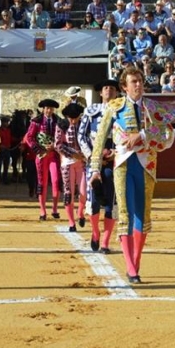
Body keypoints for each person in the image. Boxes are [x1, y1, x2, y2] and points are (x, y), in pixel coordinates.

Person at [89, 66, 175, 283]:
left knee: (143, 215)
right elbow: (100, 139)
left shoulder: (153, 108)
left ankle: (135, 262)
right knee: (125, 214)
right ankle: (130, 267)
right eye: (133, 82)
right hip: (123, 165)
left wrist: (142, 135)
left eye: (140, 81)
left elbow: (167, 133)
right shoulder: (115, 107)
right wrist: (95, 169)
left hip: (147, 166)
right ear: (124, 87)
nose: (138, 85)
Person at [78, 78, 119, 253]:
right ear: (101, 93)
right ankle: (95, 232)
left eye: (112, 88)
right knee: (93, 200)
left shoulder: (122, 111)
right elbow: (82, 136)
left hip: (114, 161)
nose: (109, 90)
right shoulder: (91, 111)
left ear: (117, 92)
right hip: (94, 161)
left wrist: (116, 153)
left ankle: (105, 241)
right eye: (105, 88)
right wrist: (92, 156)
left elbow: (126, 135)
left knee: (111, 201)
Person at [25, 99, 62, 220]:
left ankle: (55, 209)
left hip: (54, 155)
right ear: (43, 109)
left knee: (56, 181)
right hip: (41, 155)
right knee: (42, 182)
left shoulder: (59, 121)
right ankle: (42, 211)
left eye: (51, 108)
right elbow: (29, 137)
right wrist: (38, 149)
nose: (49, 110)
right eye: (47, 108)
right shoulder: (36, 121)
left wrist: (55, 146)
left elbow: (63, 137)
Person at [55, 103, 87, 232]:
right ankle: (71, 222)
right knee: (69, 193)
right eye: (71, 118)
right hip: (67, 162)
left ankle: (80, 212)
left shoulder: (84, 124)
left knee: (84, 192)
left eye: (75, 118)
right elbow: (58, 145)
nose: (73, 121)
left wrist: (84, 154)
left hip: (82, 162)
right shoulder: (61, 125)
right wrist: (74, 154)